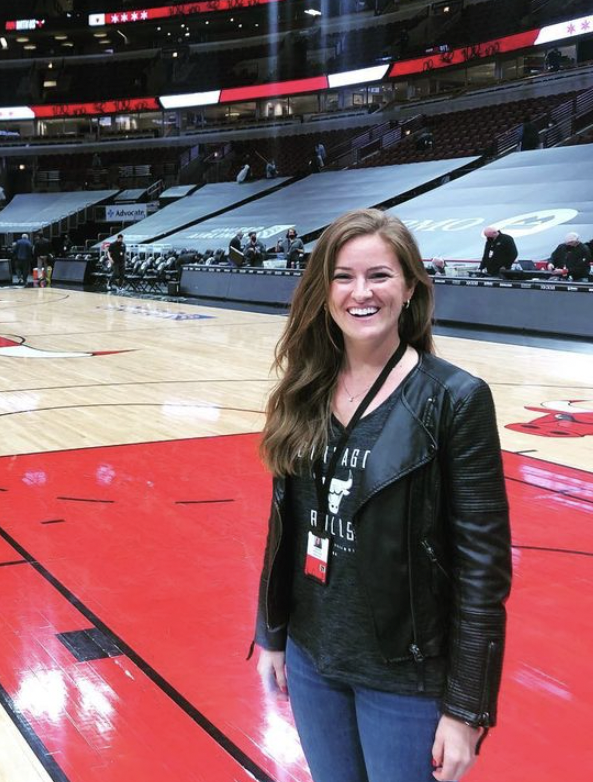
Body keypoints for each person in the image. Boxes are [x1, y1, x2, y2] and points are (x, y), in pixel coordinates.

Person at [255, 208, 511, 782]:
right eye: (343, 276)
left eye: (380, 275)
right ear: (323, 291)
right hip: (313, 655)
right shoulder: (303, 391)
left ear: (411, 287)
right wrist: (272, 633)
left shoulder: (455, 400)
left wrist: (467, 708)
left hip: (406, 674)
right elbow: (286, 526)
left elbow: (482, 571)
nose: (360, 292)